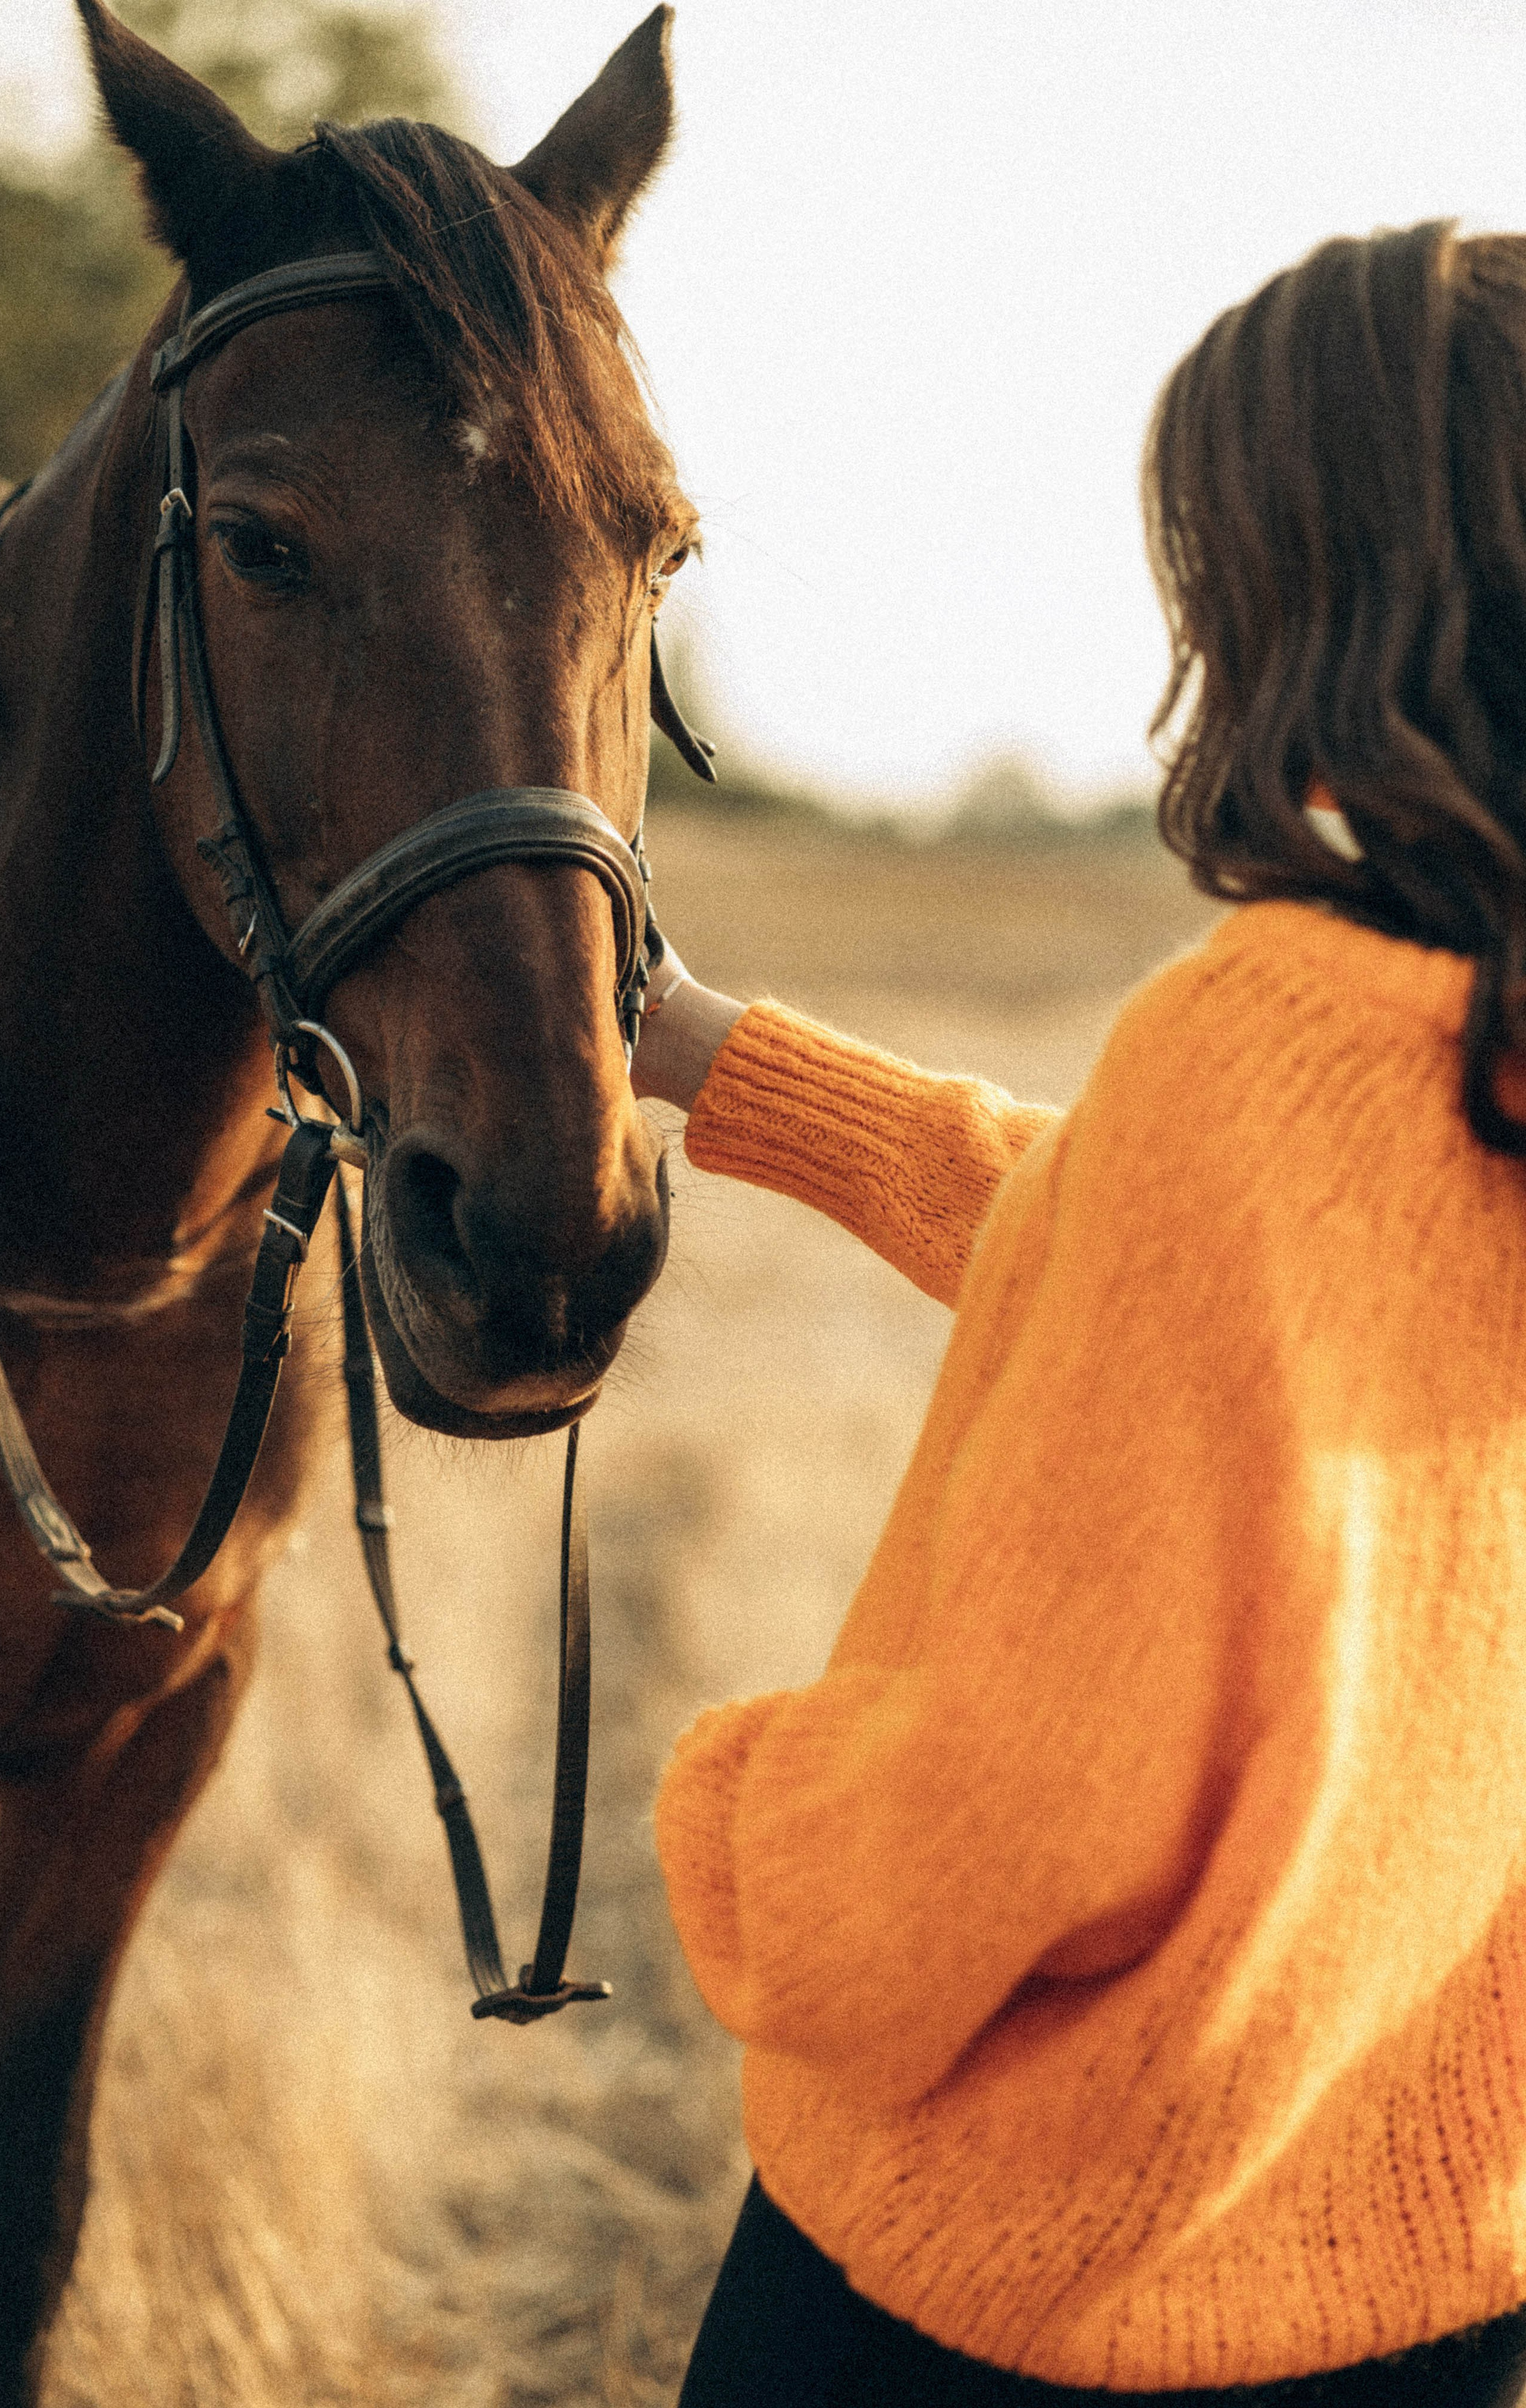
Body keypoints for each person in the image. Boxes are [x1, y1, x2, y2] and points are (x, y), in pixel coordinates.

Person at [628, 220, 1526, 2405]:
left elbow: (1019, 1807)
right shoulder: (1460, 1056)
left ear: (1315, 581)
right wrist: (711, 1055)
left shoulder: (1264, 1055)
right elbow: (1138, 1243)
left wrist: (750, 1834)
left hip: (1037, 2278)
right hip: (1439, 2269)